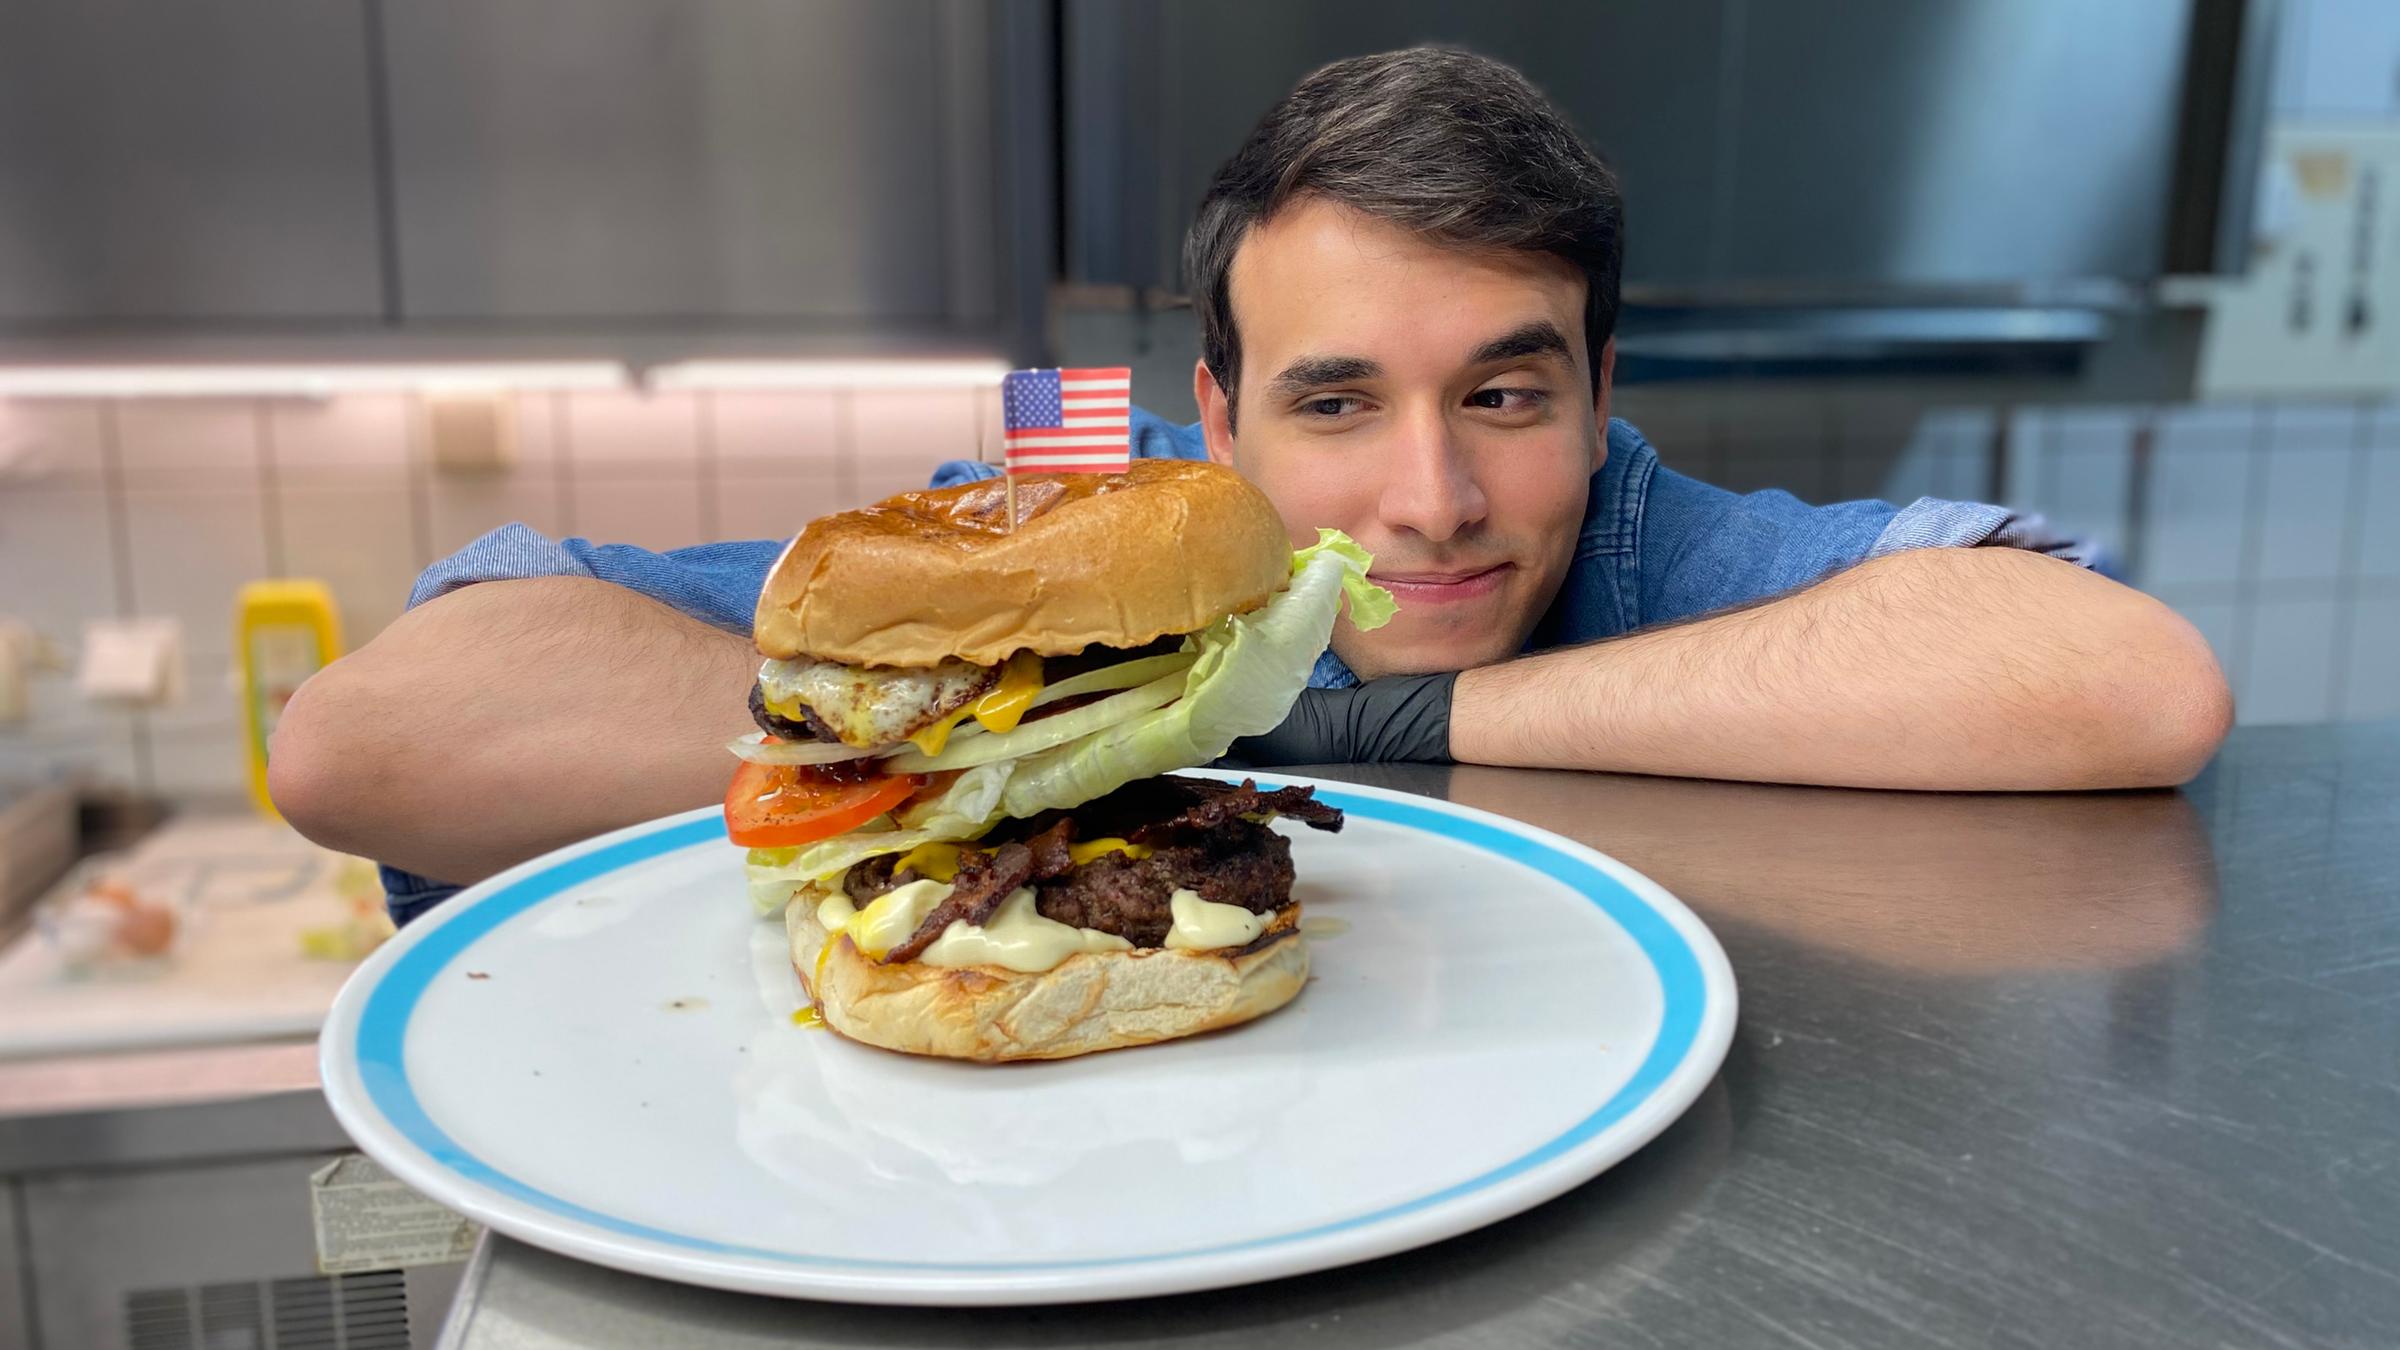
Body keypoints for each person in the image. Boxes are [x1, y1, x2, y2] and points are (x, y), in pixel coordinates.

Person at [269, 47, 2231, 924]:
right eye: (1337, 401)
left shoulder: (1642, 538)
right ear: (1214, 418)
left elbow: (2131, 684)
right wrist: (1056, 728)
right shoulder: (1061, 537)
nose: (1436, 497)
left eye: (1506, 392)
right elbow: (366, 744)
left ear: (1601, 395)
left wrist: (1359, 718)